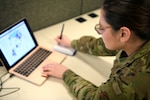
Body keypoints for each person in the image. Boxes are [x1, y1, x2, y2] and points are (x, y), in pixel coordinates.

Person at [42, 0, 150, 99]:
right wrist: (71, 43)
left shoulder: (130, 83)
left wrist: (65, 73)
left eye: (102, 28)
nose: (100, 32)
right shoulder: (139, 37)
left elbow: (94, 97)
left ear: (123, 34)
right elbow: (99, 45)